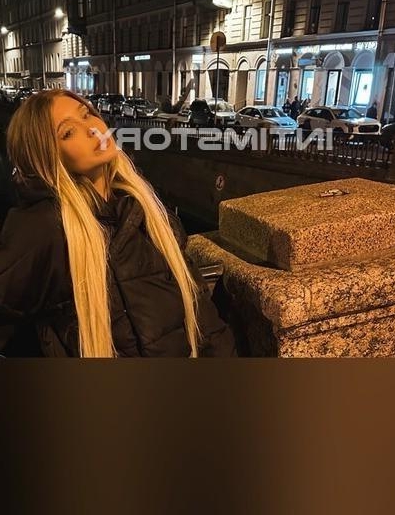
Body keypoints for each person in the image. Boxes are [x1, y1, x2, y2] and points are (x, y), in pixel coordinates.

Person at [0, 89, 236, 358]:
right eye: (68, 132)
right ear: (47, 157)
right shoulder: (46, 228)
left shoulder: (146, 206)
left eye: (86, 115)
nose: (91, 129)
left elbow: (201, 312)